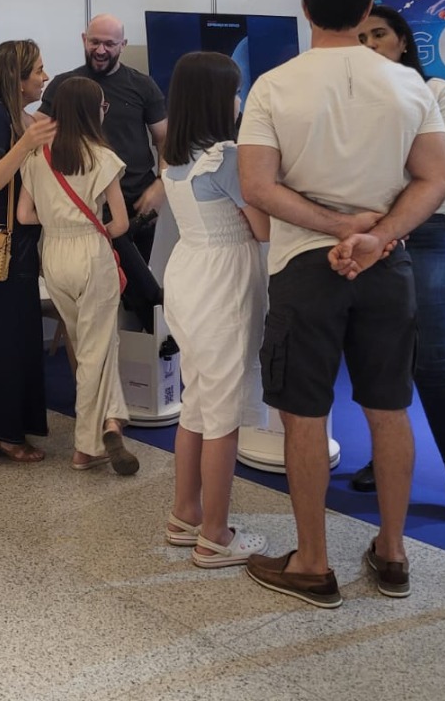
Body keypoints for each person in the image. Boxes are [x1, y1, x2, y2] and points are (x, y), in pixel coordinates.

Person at [237, 0, 445, 608]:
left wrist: (337, 230)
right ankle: (392, 553)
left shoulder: (273, 86)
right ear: (366, 12)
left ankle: (312, 563)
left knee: (304, 414)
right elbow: (437, 177)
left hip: (306, 269)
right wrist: (377, 236)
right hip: (388, 268)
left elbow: (257, 187)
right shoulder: (409, 84)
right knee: (389, 408)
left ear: (305, 7)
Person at [352, 6, 445, 542]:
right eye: (362, 36)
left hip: (429, 235)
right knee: (378, 358)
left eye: (380, 34)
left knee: (437, 362)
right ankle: (385, 461)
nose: (370, 44)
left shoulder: (438, 93)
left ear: (401, 42)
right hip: (369, 235)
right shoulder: (351, 99)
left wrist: (391, 182)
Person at [160, 52, 272, 567]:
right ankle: (215, 535)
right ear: (214, 99)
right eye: (234, 90)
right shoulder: (225, 158)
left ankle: (184, 514)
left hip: (187, 275)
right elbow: (263, 228)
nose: (239, 100)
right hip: (224, 284)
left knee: (199, 401)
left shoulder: (175, 157)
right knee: (223, 411)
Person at [19, 76, 137, 476]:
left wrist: (58, 223)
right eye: (103, 106)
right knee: (95, 350)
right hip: (91, 252)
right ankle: (85, 448)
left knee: (91, 346)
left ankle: (112, 421)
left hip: (52, 255)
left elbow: (24, 216)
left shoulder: (36, 157)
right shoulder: (101, 157)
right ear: (92, 111)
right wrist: (94, 231)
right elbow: (119, 222)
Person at [38, 13, 165, 326]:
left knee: (135, 293)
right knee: (125, 298)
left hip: (139, 203)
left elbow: (165, 139)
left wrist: (162, 183)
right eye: (95, 42)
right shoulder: (63, 85)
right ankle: (159, 340)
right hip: (90, 211)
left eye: (110, 43)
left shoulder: (142, 85)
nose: (101, 49)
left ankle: (150, 356)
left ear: (122, 45)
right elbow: (37, 133)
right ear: (84, 39)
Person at [0, 40, 57, 463]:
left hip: (19, 243)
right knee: (2, 340)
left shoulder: (22, 117)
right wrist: (26, 143)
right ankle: (2, 433)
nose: (44, 76)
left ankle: (5, 428)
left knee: (20, 338)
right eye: (38, 70)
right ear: (17, 79)